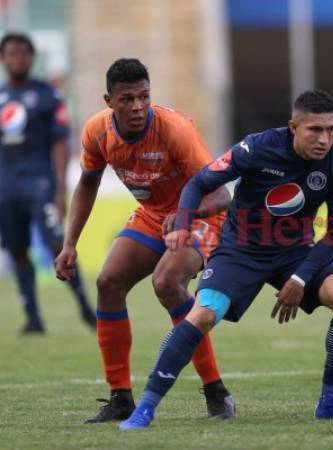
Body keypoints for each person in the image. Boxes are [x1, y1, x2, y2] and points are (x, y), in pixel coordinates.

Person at [120, 89, 333, 430]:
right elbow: (199, 183)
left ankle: (331, 403)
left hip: (295, 250)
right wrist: (182, 225)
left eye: (331, 129)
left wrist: (300, 278)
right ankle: (146, 408)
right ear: (293, 127)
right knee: (204, 314)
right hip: (241, 248)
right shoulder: (257, 148)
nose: (325, 139)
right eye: (315, 130)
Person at [54, 58, 235, 423]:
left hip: (199, 215)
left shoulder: (174, 130)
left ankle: (216, 391)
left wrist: (185, 215)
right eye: (126, 99)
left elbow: (221, 196)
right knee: (108, 282)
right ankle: (120, 398)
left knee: (167, 282)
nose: (137, 107)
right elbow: (87, 182)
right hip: (154, 215)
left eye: (143, 97)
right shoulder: (96, 132)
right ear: (109, 100)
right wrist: (69, 243)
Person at [0, 32, 95, 334]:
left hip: (40, 182)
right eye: (11, 53)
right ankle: (33, 318)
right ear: (3, 59)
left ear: (31, 57)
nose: (17, 59)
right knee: (16, 250)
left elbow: (60, 143)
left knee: (56, 244)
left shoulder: (47, 96)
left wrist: (60, 188)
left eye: (23, 53)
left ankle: (85, 309)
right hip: (6, 186)